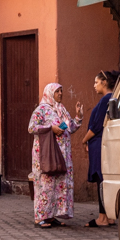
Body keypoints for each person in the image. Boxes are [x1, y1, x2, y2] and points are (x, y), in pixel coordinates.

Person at [28, 83, 84, 228]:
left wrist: (78, 117)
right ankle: (40, 217)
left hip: (62, 156)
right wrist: (50, 128)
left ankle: (52, 216)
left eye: (61, 91)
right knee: (45, 184)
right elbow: (32, 127)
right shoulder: (41, 110)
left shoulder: (62, 109)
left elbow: (70, 128)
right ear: (49, 93)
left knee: (58, 184)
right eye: (57, 91)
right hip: (46, 154)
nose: (60, 94)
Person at [81, 70, 120, 227]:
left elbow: (97, 125)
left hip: (99, 144)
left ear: (104, 83)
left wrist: (84, 140)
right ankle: (108, 216)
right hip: (104, 143)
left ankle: (103, 217)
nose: (94, 86)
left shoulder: (106, 99)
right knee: (104, 179)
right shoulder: (112, 99)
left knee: (101, 179)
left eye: (96, 82)